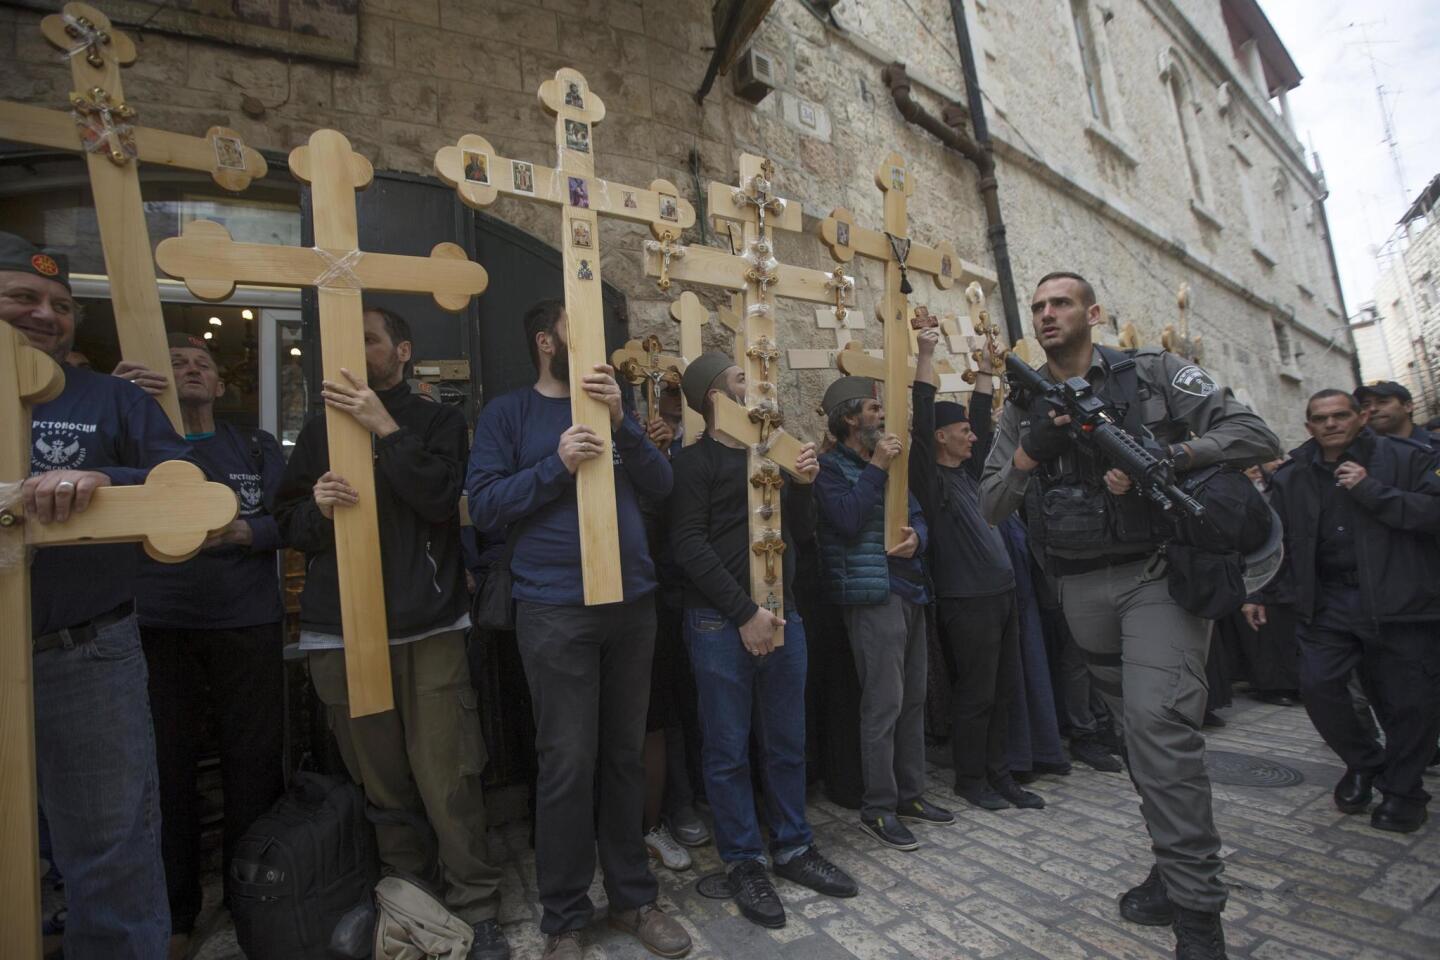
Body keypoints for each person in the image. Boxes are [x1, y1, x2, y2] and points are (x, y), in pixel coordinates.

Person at [981, 272, 1280, 960]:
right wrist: (1032, 451)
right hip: (1080, 591)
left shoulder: (1155, 375)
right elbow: (989, 504)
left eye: (1061, 303)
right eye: (1039, 307)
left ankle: (1200, 916)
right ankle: (1173, 869)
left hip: (1158, 577)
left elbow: (1253, 433)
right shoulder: (1023, 403)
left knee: (1159, 728)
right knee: (1134, 737)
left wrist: (1168, 455)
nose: (1048, 314)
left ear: (1094, 313)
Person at [272, 305, 509, 960]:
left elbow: (439, 499)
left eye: (369, 340)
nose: (356, 350)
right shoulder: (319, 428)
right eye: (346, 340)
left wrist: (384, 428)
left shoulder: (436, 420)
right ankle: (414, 901)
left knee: (448, 774)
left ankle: (476, 900)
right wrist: (315, 509)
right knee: (383, 784)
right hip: (341, 631)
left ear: (401, 351)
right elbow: (288, 523)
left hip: (425, 625)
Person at [466, 300, 689, 960]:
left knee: (624, 757)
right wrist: (554, 464)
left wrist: (625, 427)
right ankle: (564, 917)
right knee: (567, 762)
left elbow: (661, 487)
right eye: (575, 329)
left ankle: (632, 900)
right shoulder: (509, 414)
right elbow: (483, 506)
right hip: (555, 608)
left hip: (631, 606)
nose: (594, 342)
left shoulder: (615, 409)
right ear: (545, 341)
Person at [4, 231, 191, 958]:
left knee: (110, 850)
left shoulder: (109, 398)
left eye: (61, 304)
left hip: (84, 653)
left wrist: (106, 481)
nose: (46, 314)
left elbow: (184, 485)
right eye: (24, 296)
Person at [668, 352, 858, 928]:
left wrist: (804, 482)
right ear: (713, 399)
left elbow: (799, 535)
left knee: (786, 740)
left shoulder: (774, 454)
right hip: (719, 622)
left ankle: (794, 846)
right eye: (740, 379)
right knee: (727, 750)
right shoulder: (694, 463)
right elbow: (690, 546)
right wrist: (744, 611)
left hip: (785, 617)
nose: (756, 387)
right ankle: (744, 861)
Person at [130, 332, 287, 954]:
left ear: (221, 386)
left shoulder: (254, 445)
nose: (192, 370)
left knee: (253, 764)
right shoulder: (137, 443)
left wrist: (243, 532)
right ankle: (175, 913)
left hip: (246, 622)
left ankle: (251, 901)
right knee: (165, 770)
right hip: (157, 624)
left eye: (204, 364)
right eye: (178, 363)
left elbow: (294, 515)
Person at [1243, 390, 1440, 834]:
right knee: (1319, 686)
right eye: (1320, 418)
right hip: (1329, 602)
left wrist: (1372, 491)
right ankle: (1365, 762)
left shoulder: (1409, 457)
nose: (1331, 424)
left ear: (1361, 417)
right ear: (1309, 425)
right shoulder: (1292, 476)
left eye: (1340, 415)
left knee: (1410, 702)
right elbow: (1282, 542)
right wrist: (1258, 592)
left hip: (1400, 600)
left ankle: (1404, 792)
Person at [814, 374, 953, 851]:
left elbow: (914, 514)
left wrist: (919, 537)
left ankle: (911, 794)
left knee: (914, 699)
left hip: (909, 589)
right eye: (873, 409)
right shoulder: (830, 469)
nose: (881, 416)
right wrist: (877, 466)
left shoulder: (889, 463)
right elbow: (848, 521)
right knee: (882, 705)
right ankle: (878, 807)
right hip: (872, 597)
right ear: (850, 417)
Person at [910, 328, 1042, 810]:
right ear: (940, 437)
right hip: (968, 603)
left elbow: (986, 427)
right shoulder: (930, 479)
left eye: (969, 429)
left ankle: (1000, 773)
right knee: (977, 695)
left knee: (1004, 691)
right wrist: (925, 355)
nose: (970, 435)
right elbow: (920, 419)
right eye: (960, 430)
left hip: (1002, 595)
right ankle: (971, 780)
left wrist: (987, 370)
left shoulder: (970, 473)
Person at [1355, 381, 1433, 448]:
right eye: (1366, 405)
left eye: (1382, 402)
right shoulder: (1360, 454)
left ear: (1408, 406)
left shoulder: (1434, 446)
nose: (1372, 409)